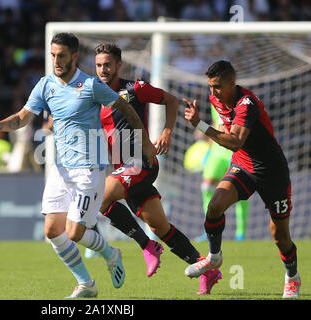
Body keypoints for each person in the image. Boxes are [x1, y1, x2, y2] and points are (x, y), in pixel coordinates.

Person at [0, 33, 157, 298]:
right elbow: (22, 118)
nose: (56, 60)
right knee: (53, 231)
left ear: (74, 56)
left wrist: (143, 143)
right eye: (53, 55)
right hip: (61, 169)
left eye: (61, 55)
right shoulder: (45, 85)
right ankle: (87, 283)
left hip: (89, 169)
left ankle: (110, 253)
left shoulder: (90, 85)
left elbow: (127, 108)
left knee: (74, 232)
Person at [92, 43, 221, 295]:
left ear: (119, 65)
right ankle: (207, 269)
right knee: (161, 227)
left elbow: (171, 101)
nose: (103, 69)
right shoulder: (94, 95)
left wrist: (167, 133)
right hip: (122, 169)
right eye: (98, 65)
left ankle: (146, 246)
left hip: (141, 161)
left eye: (107, 64)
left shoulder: (135, 88)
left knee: (100, 197)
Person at [183, 60, 301, 298]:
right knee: (214, 206)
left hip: (272, 172)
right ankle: (214, 257)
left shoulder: (247, 104)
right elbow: (233, 143)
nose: (213, 92)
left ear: (231, 83)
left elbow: (235, 141)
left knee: (280, 237)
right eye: (210, 86)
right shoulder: (215, 99)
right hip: (244, 166)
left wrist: (201, 125)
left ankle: (292, 277)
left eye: (217, 86)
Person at [196, 103, 250, 242]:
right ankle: (209, 229)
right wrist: (208, 149)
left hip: (234, 149)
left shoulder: (240, 100)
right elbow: (216, 123)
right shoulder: (214, 100)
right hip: (217, 150)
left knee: (239, 188)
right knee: (207, 186)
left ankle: (241, 233)